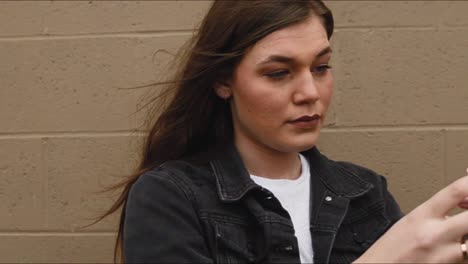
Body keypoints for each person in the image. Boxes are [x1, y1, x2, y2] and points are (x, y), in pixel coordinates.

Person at [101, 1, 468, 263]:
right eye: (278, 73)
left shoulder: (366, 193)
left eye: (321, 67)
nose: (310, 92)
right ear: (223, 81)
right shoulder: (171, 197)